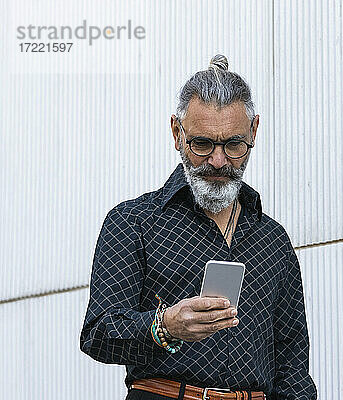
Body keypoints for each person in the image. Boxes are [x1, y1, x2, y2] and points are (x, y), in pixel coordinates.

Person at [80, 55, 318, 400]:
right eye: (202, 144)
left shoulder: (273, 239)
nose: (218, 161)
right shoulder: (133, 222)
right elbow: (98, 334)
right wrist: (165, 327)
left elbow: (292, 365)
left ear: (254, 132)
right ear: (177, 133)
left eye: (234, 145)